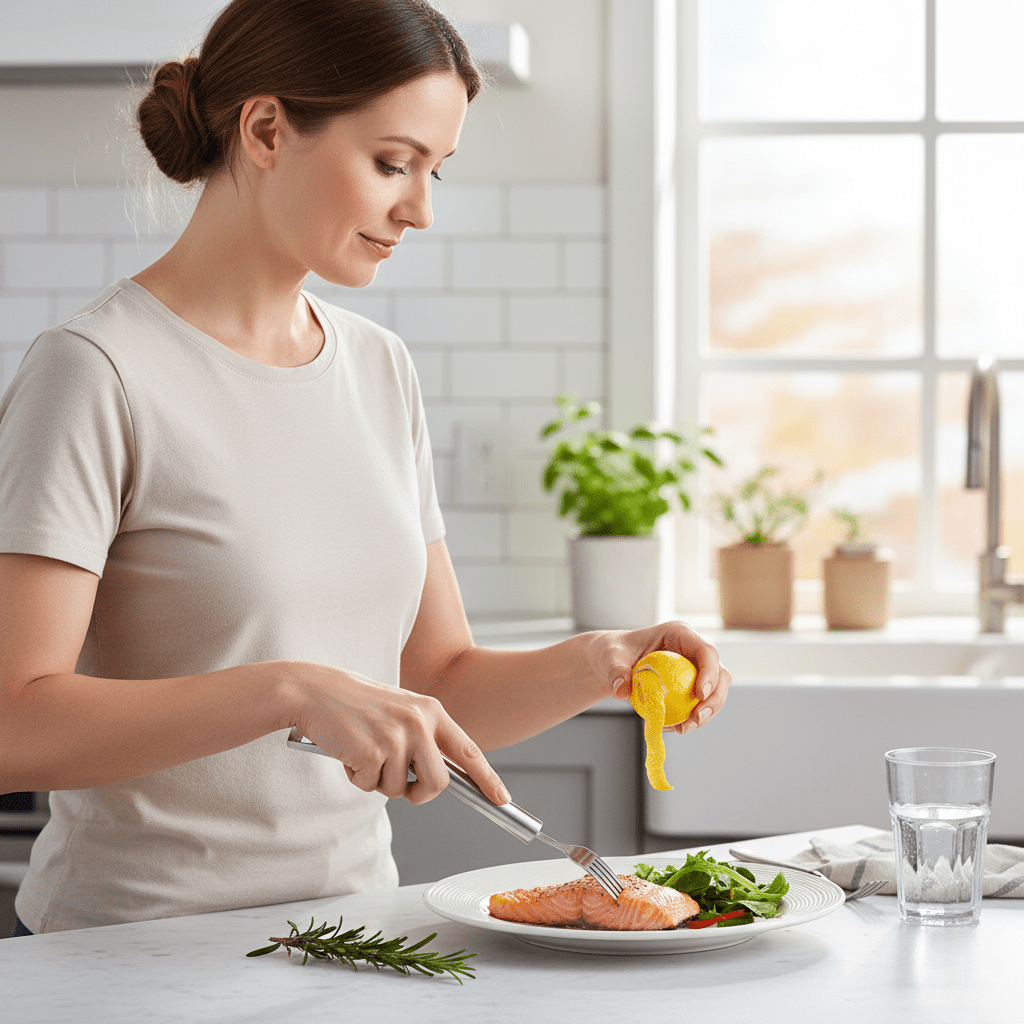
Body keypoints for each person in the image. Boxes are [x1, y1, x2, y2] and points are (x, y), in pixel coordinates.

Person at [0, 0, 731, 936]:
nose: (420, 209)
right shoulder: (96, 371)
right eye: (393, 163)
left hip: (350, 944)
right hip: (134, 955)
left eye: (435, 171)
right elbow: (16, 719)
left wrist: (605, 663)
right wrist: (290, 688)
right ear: (266, 130)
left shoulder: (379, 368)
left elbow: (442, 681)